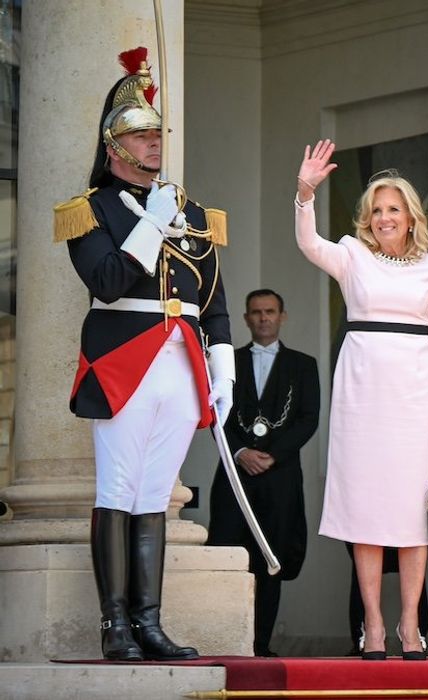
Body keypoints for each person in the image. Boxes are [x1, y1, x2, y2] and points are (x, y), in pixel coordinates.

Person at [54, 48, 232, 662]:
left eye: (157, 134)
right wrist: (150, 226)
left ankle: (149, 623)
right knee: (119, 487)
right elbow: (106, 282)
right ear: (114, 145)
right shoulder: (90, 210)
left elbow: (213, 297)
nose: (154, 143)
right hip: (124, 360)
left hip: (182, 362)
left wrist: (225, 368)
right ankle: (115, 625)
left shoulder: (191, 211)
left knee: (154, 493)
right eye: (140, 134)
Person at [294, 140, 428, 661]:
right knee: (364, 509)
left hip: (417, 397)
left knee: (411, 514)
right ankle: (374, 624)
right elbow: (308, 243)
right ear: (368, 219)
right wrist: (305, 193)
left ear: (411, 218)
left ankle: (410, 623)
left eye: (394, 209)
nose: (385, 217)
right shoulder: (351, 256)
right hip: (361, 394)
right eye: (377, 210)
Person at [207, 289, 320, 657]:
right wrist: (240, 452)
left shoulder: (303, 365)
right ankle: (225, 641)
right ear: (246, 318)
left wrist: (272, 456)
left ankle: (261, 645)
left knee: (271, 558)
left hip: (280, 478)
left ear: (282, 316)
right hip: (235, 475)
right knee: (227, 554)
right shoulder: (228, 363)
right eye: (256, 312)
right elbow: (215, 414)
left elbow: (309, 419)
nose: (263, 318)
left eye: (270, 311)